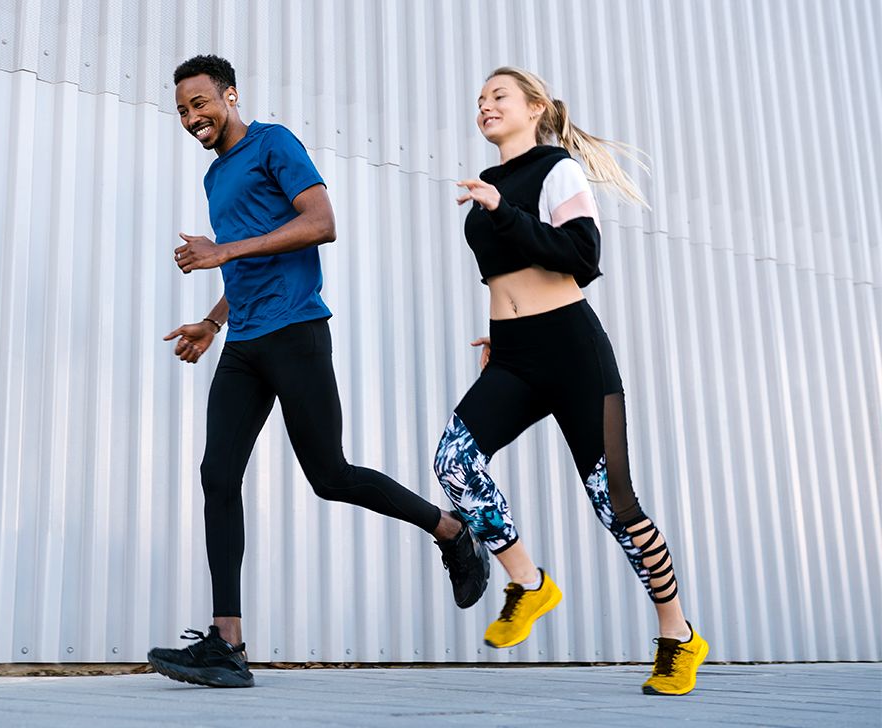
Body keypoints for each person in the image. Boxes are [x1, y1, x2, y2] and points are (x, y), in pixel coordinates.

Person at [146, 55, 490, 688]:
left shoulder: (272, 143)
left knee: (329, 475)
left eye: (200, 102)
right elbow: (247, 263)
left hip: (297, 332)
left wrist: (221, 249)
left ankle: (451, 530)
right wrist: (213, 321)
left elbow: (320, 223)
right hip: (245, 342)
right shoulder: (215, 175)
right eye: (182, 110)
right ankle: (228, 644)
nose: (192, 117)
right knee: (217, 476)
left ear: (230, 96)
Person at [436, 66, 707, 695]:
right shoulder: (488, 186)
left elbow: (582, 258)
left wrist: (503, 209)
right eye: (478, 100)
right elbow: (505, 275)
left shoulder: (555, 169)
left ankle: (677, 635)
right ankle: (530, 583)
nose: (484, 106)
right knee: (454, 462)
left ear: (535, 107)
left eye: (498, 96)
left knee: (617, 504)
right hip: (514, 355)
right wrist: (501, 332)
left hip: (575, 354)